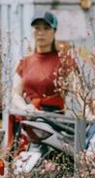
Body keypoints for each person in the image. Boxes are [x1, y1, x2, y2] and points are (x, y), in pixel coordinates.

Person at [10, 11, 73, 147]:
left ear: (54, 31)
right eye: (37, 28)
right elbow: (16, 94)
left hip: (53, 120)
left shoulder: (64, 61)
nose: (41, 32)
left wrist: (90, 113)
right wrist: (25, 108)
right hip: (28, 116)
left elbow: (80, 92)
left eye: (46, 28)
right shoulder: (24, 62)